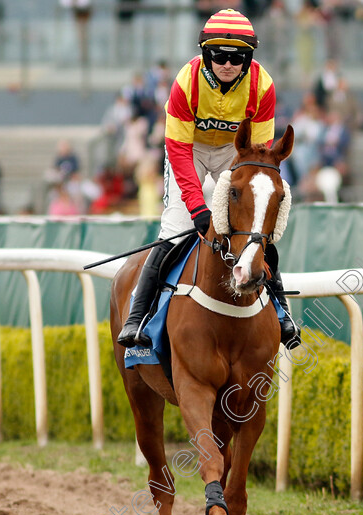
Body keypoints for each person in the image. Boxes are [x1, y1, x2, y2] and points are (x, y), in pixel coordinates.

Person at [117, 8, 300, 350]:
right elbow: (180, 153)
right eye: (219, 56)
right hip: (191, 152)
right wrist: (199, 209)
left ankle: (281, 312)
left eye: (237, 57)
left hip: (237, 155)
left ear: (248, 59)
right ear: (206, 54)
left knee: (255, 230)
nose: (228, 64)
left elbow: (256, 157)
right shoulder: (186, 83)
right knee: (174, 227)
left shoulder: (263, 87)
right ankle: (136, 318)